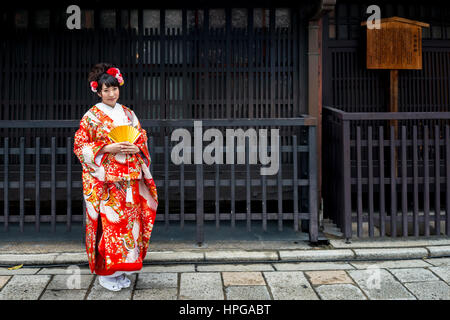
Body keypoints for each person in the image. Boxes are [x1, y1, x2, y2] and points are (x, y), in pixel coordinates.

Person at [74, 62, 158, 291]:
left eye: (114, 89)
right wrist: (105, 149)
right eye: (106, 90)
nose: (111, 94)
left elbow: (140, 138)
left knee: (130, 227)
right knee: (110, 227)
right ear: (98, 92)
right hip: (107, 184)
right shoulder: (91, 117)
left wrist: (137, 149)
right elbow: (80, 146)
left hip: (130, 182)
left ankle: (122, 271)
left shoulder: (129, 114)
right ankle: (106, 274)